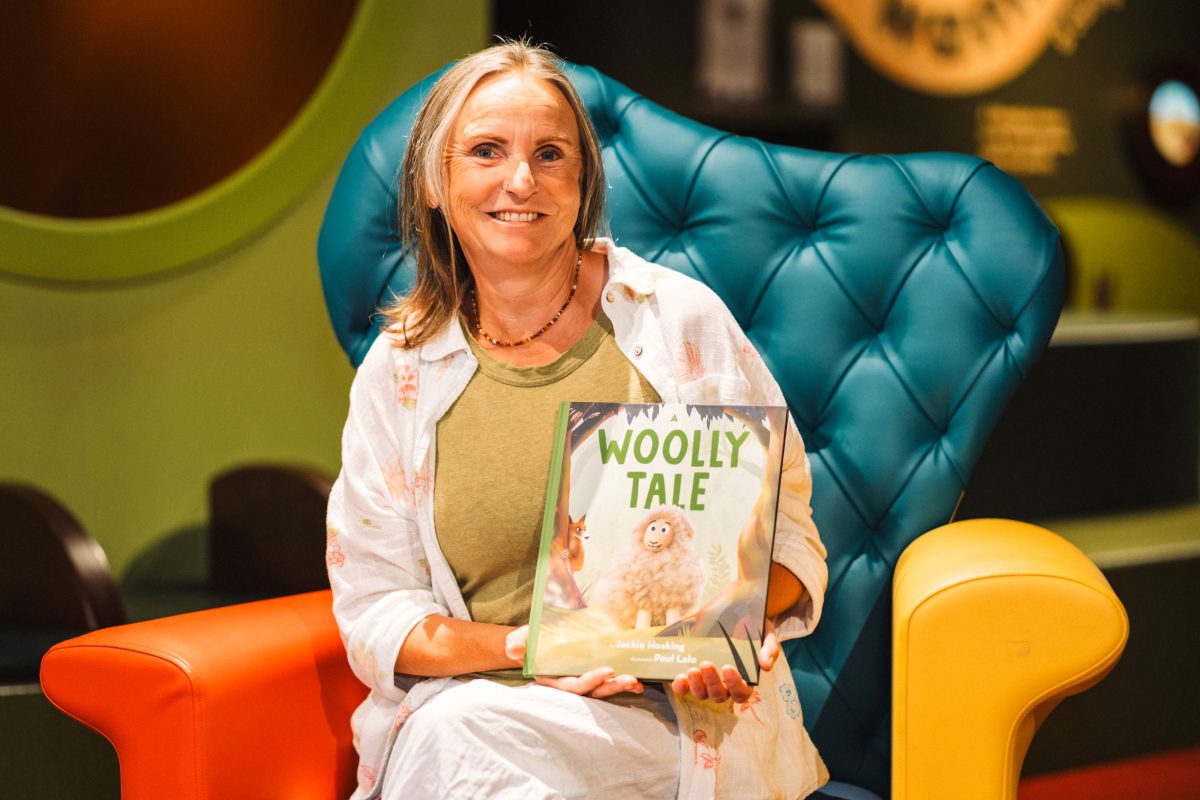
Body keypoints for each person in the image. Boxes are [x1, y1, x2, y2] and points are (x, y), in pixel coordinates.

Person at [326, 40, 830, 800]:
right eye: (487, 151)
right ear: (435, 182)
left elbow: (788, 535)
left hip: (677, 732)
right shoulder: (397, 374)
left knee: (456, 743)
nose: (520, 181)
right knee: (457, 733)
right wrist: (525, 650)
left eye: (551, 154)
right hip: (481, 713)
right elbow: (378, 609)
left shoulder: (678, 322)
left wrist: (724, 629)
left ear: (583, 182)